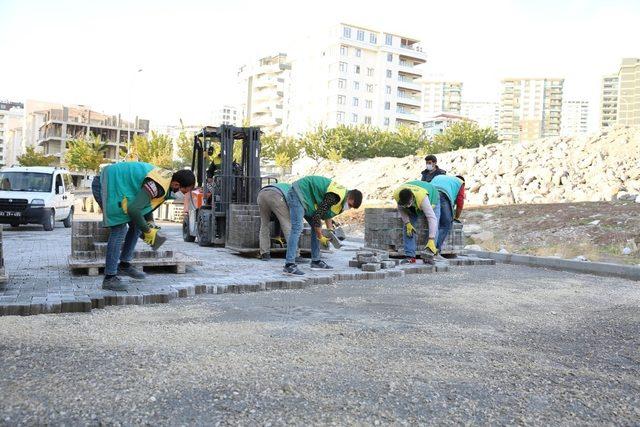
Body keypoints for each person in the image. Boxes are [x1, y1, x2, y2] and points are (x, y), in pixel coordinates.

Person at [92, 161, 195, 291]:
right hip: (105, 183)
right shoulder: (158, 184)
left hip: (118, 184)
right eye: (184, 191)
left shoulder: (166, 179)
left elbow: (145, 204)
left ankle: (124, 265)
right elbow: (134, 209)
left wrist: (150, 224)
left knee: (136, 226)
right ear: (176, 184)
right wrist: (147, 230)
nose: (184, 195)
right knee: (119, 229)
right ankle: (109, 278)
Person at [283, 175, 363, 276]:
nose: (349, 208)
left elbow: (326, 213)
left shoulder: (340, 197)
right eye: (350, 205)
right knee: (297, 228)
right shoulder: (335, 196)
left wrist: (330, 231)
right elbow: (317, 216)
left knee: (316, 226)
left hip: (308, 198)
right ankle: (289, 264)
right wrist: (320, 237)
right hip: (298, 193)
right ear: (349, 197)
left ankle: (316, 261)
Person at [257, 182, 305, 263]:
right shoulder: (295, 192)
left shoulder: (286, 186)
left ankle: (265, 253)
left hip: (261, 194)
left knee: (264, 225)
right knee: (287, 225)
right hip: (276, 195)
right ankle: (295, 254)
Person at [394, 180, 440, 263]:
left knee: (434, 225)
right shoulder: (397, 195)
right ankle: (410, 257)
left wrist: (431, 239)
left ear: (412, 199)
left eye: (407, 204)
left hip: (432, 195)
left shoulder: (422, 198)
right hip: (415, 199)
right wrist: (407, 223)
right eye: (404, 205)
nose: (406, 206)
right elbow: (401, 210)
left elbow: (431, 218)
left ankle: (429, 256)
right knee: (408, 228)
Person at [430, 175, 465, 255]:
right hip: (442, 194)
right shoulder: (460, 183)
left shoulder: (445, 179)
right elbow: (460, 202)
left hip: (429, 193)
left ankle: (429, 247)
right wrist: (456, 217)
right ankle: (435, 250)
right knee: (445, 224)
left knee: (433, 221)